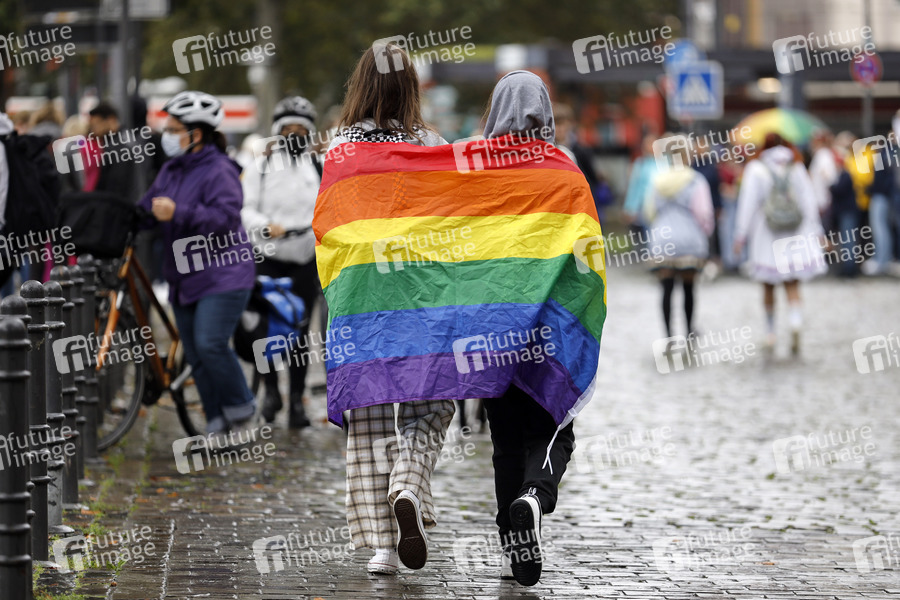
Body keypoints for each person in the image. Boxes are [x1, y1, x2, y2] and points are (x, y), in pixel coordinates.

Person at [325, 43, 451, 576]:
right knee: (431, 404)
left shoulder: (339, 149)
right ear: (410, 88)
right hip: (420, 294)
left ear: (360, 86)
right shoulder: (431, 146)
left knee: (368, 414)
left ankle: (382, 546)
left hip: (359, 296)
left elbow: (327, 223)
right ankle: (408, 484)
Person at [479, 70, 586, 587]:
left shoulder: (473, 173)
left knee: (504, 440)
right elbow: (587, 255)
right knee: (553, 425)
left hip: (490, 327)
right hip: (549, 328)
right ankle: (534, 497)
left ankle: (511, 547)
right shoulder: (565, 172)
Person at [138, 91, 256, 435]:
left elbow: (226, 217)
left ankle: (242, 409)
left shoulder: (220, 169)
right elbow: (148, 207)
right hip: (184, 275)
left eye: (174, 130)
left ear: (197, 133)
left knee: (209, 343)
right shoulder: (171, 169)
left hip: (224, 273)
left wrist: (179, 212)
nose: (167, 135)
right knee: (194, 353)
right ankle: (216, 422)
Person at [241, 96, 322, 427]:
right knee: (266, 331)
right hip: (268, 259)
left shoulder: (317, 167)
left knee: (300, 335)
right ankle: (271, 391)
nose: (295, 134)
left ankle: (297, 402)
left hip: (305, 260)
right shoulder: (258, 168)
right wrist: (264, 225)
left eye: (302, 129)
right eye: (288, 128)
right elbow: (244, 209)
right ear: (277, 130)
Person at [734, 133, 826, 355]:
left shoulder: (756, 169)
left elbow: (747, 203)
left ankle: (770, 332)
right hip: (794, 232)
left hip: (766, 232)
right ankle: (795, 323)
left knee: (768, 284)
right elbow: (809, 201)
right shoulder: (796, 167)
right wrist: (817, 231)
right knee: (792, 282)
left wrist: (740, 234)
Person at [643, 134, 715, 337]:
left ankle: (668, 334)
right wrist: (706, 234)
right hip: (690, 240)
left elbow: (649, 212)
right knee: (689, 288)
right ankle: (689, 330)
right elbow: (704, 214)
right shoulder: (696, 180)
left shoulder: (657, 180)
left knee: (666, 289)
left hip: (663, 240)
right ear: (687, 155)